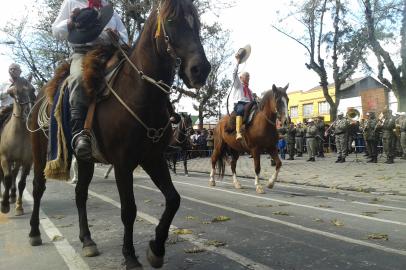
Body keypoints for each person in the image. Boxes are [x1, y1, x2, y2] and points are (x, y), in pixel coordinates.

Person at [52, 0, 129, 161]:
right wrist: (70, 23)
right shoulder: (71, 2)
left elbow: (124, 36)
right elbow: (56, 31)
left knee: (135, 72)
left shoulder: (108, 7)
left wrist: (117, 36)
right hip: (83, 53)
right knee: (79, 78)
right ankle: (79, 133)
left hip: (111, 53)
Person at [232, 56, 253, 140]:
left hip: (249, 103)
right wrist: (237, 62)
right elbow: (234, 73)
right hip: (240, 103)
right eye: (246, 76)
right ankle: (238, 132)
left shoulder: (250, 90)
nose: (248, 77)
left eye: (249, 76)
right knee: (240, 110)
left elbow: (252, 99)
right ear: (241, 78)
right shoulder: (238, 84)